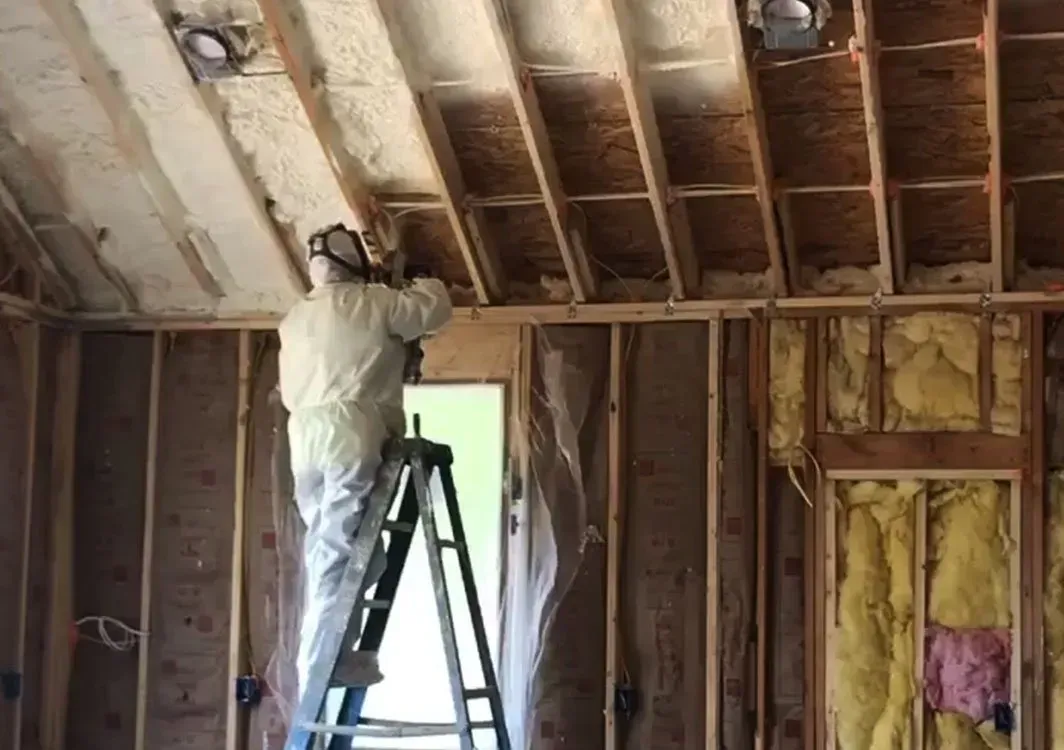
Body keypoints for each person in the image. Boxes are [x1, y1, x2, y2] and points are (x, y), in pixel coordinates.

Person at [278, 223, 452, 698]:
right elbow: (434, 309)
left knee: (340, 551)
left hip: (306, 441)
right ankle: (319, 666)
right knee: (339, 554)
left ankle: (339, 654)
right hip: (348, 435)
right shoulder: (371, 303)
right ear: (354, 264)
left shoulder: (294, 316)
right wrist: (426, 279)